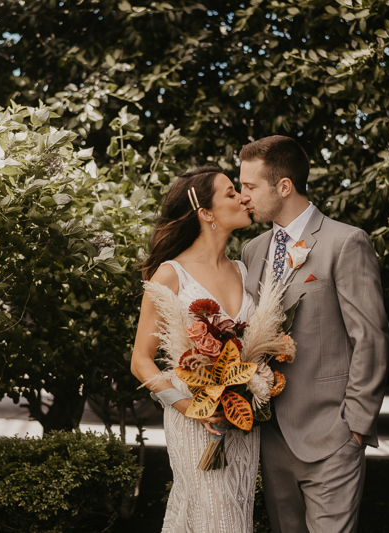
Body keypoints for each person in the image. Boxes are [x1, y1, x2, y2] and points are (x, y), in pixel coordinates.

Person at [239, 135, 389, 533]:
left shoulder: (346, 242)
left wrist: (354, 426)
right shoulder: (252, 251)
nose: (242, 197)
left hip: (331, 435)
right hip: (271, 439)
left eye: (250, 186)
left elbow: (370, 338)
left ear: (283, 186)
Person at [130, 166, 259, 532]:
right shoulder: (171, 274)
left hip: (240, 418)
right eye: (231, 193)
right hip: (193, 417)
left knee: (226, 511)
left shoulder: (243, 270)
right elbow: (141, 361)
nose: (243, 198)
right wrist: (190, 407)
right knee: (221, 521)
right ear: (205, 213)